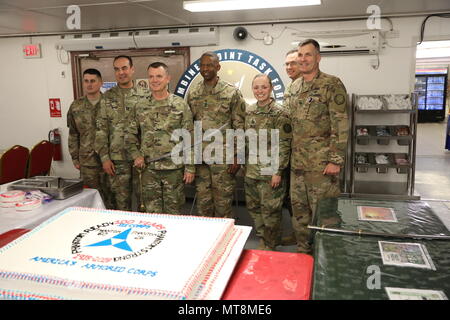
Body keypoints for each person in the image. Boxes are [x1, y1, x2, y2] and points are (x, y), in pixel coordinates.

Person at [284, 39, 349, 254]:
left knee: (325, 214)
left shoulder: (332, 84)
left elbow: (340, 124)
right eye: (300, 55)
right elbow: (288, 126)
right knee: (299, 213)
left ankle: (328, 255)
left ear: (318, 58)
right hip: (298, 166)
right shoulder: (293, 87)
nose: (303, 59)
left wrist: (335, 160)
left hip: (322, 166)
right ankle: (303, 252)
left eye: (308, 55)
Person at [126, 62, 195, 214]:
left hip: (174, 170)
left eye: (159, 76)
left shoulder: (180, 105)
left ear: (168, 79)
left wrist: (190, 167)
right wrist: (136, 155)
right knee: (151, 213)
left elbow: (189, 137)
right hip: (149, 169)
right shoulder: (140, 106)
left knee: (174, 212)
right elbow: (129, 134)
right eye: (151, 76)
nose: (155, 80)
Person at [187, 51, 246, 218]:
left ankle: (226, 242)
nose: (205, 69)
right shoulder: (194, 92)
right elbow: (189, 127)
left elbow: (240, 126)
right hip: (201, 159)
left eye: (209, 65)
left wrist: (238, 156)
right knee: (203, 206)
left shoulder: (231, 93)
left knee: (223, 206)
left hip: (224, 160)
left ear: (218, 67)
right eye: (202, 65)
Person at [244, 74, 292, 250]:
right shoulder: (249, 111)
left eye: (263, 87)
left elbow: (284, 145)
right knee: (254, 209)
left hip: (270, 172)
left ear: (270, 88)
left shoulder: (280, 113)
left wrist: (278, 172)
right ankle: (264, 238)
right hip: (251, 171)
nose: (260, 91)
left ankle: (271, 245)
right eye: (256, 87)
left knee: (270, 211)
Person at [95, 55, 148, 211]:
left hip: (141, 159)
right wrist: (104, 158)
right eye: (117, 69)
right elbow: (101, 130)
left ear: (132, 69)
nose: (121, 72)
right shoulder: (107, 98)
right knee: (120, 204)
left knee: (144, 203)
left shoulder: (145, 95)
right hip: (117, 161)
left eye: (124, 68)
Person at [67, 68, 111, 207]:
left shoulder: (110, 104)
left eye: (93, 81)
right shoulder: (76, 106)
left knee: (111, 198)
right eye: (86, 81)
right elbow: (73, 134)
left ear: (100, 83)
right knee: (90, 200)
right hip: (87, 162)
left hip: (110, 161)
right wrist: (75, 157)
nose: (89, 84)